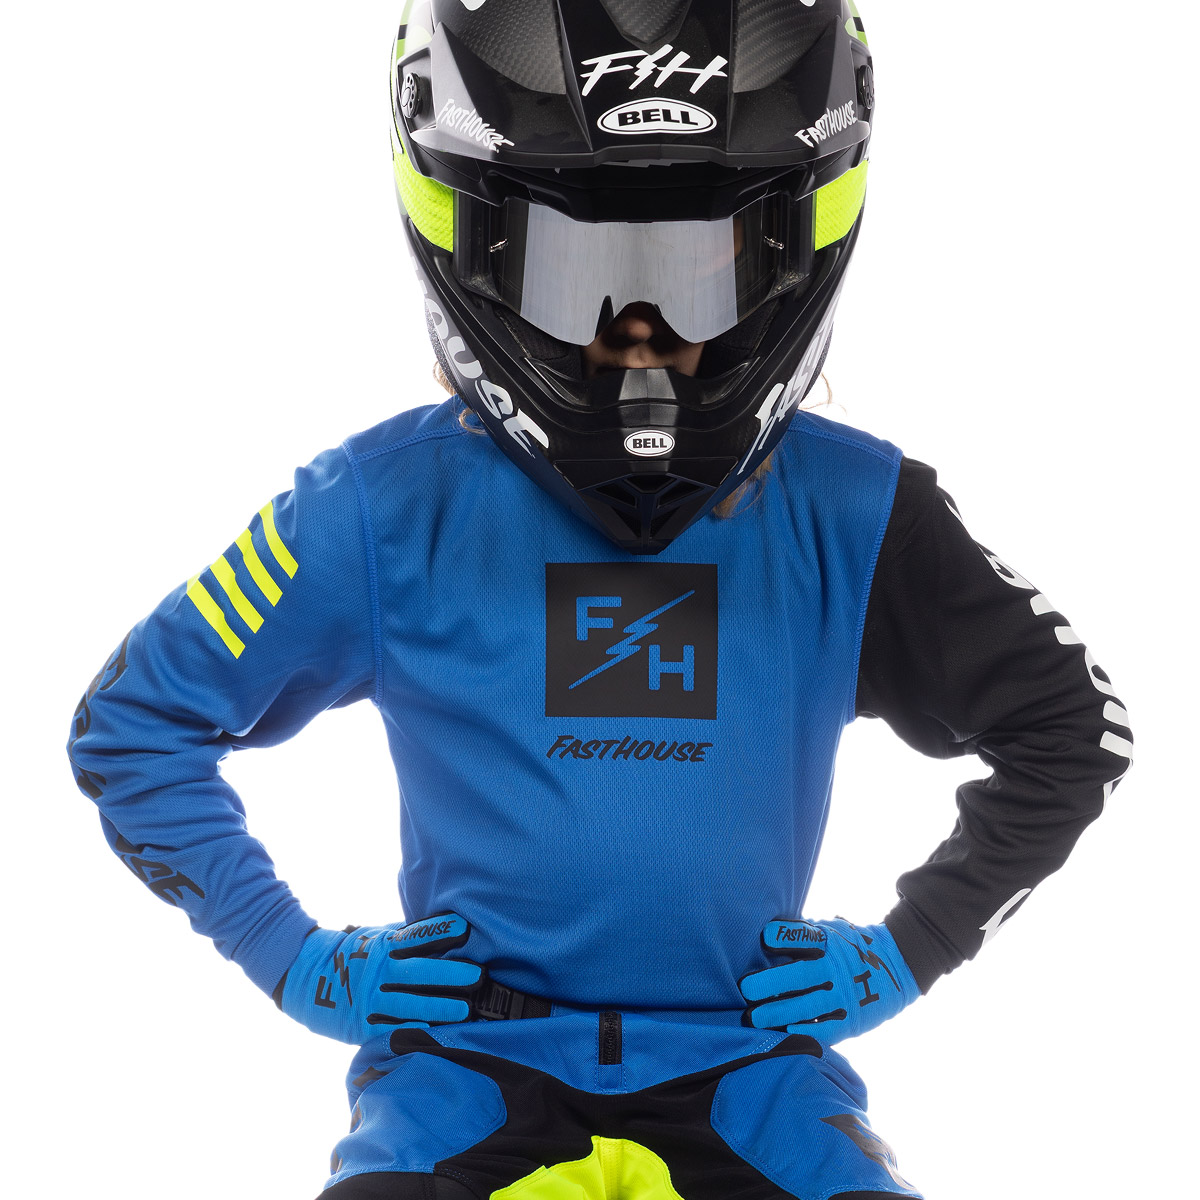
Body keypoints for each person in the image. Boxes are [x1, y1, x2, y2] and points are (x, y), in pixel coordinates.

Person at [67, 2, 1133, 1197]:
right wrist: (294, 958)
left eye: (697, 271)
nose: (640, 333)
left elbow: (1070, 729)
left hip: (749, 1071)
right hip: (469, 1069)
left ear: (783, 258)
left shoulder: (856, 510)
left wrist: (911, 947)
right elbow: (134, 723)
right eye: (573, 272)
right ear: (479, 255)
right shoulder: (386, 506)